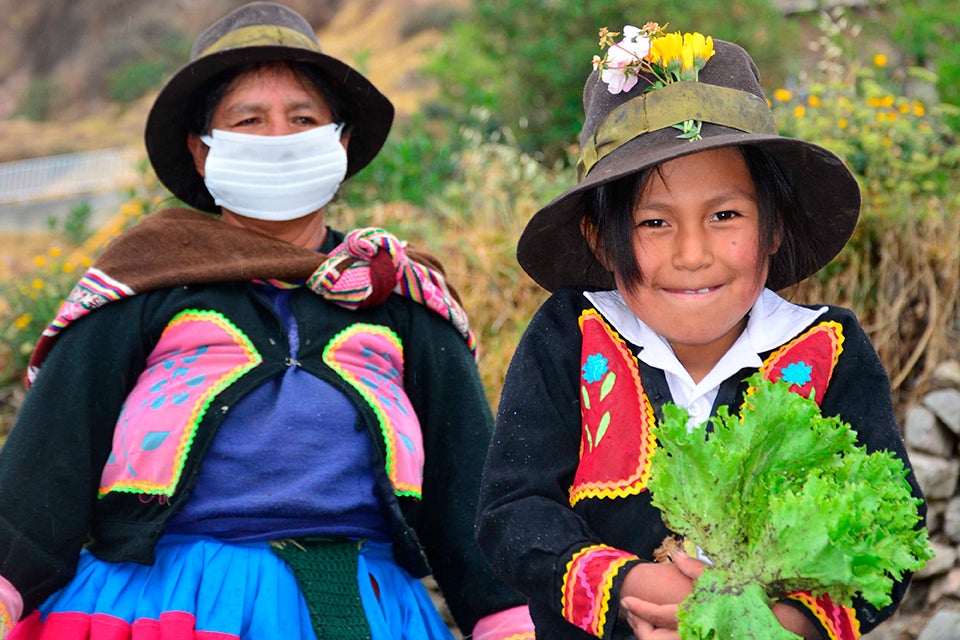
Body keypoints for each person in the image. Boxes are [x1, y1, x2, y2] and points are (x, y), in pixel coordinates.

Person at [0, 3, 534, 639]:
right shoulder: (145, 282)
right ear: (203, 152)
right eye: (248, 120)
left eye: (303, 119)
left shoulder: (401, 297)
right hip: (166, 607)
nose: (278, 137)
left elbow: (469, 487)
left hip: (367, 610)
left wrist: (510, 620)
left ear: (338, 143)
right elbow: (45, 467)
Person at [475, 21, 926, 640]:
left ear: (773, 227)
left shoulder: (829, 351)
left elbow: (888, 528)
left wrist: (781, 623)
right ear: (599, 240)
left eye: (725, 215)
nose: (692, 253)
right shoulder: (571, 336)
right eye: (654, 222)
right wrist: (630, 587)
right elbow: (511, 512)